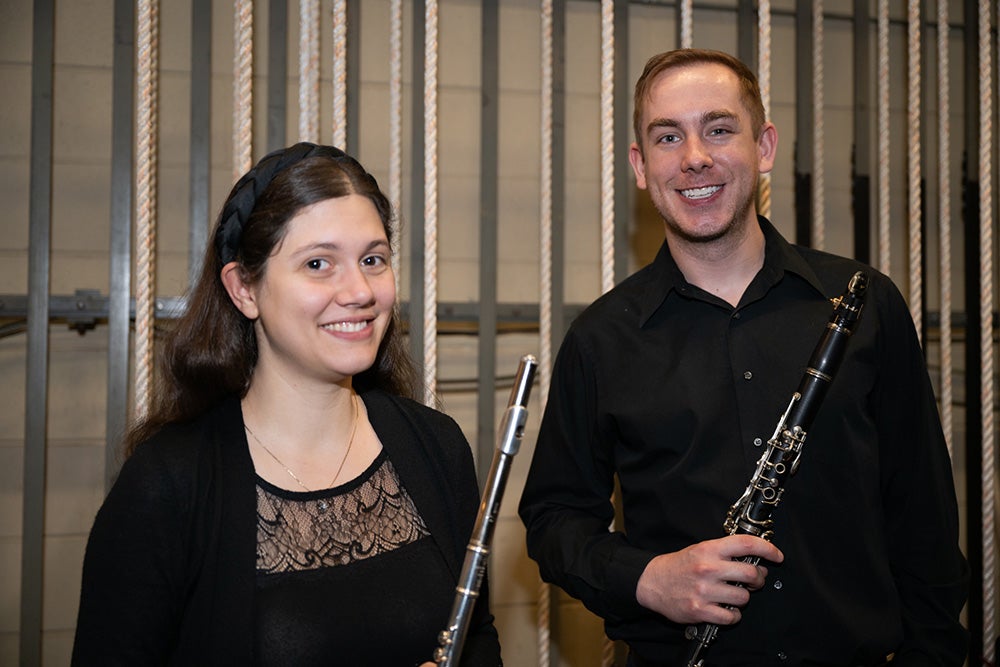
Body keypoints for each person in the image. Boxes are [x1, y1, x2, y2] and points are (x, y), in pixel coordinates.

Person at [518, 48, 968, 666]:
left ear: (764, 147)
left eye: (719, 129)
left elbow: (924, 516)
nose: (694, 157)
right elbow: (554, 519)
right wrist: (648, 578)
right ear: (641, 166)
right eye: (668, 137)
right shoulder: (600, 339)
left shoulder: (866, 304)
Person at [72, 143, 501, 666]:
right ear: (244, 289)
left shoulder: (436, 445)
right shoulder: (168, 482)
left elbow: (478, 639)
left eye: (373, 260)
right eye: (318, 263)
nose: (359, 291)